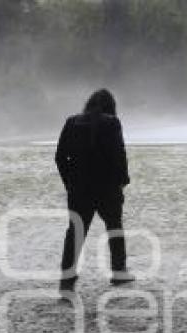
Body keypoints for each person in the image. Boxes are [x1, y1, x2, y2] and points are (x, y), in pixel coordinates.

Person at [55, 89, 135, 292]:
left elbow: (60, 156)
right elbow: (119, 154)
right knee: (115, 228)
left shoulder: (71, 122)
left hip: (79, 188)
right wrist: (122, 180)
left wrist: (69, 181)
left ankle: (67, 280)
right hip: (107, 187)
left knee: (75, 232)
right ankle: (119, 272)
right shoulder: (112, 123)